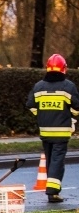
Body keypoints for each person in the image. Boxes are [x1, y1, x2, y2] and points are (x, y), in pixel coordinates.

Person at [26, 53, 79, 203]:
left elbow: (30, 105)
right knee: (57, 160)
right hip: (61, 131)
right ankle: (52, 192)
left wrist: (41, 115)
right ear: (64, 69)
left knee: (50, 159)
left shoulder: (39, 86)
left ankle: (52, 190)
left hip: (45, 130)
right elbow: (76, 108)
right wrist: (70, 117)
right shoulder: (68, 86)